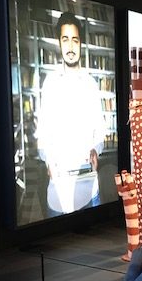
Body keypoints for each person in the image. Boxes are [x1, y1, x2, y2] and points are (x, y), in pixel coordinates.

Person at [37, 11, 106, 215]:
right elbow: (43, 134)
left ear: (81, 43)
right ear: (59, 43)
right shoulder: (50, 84)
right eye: (65, 39)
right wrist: (48, 160)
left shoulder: (91, 84)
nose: (70, 46)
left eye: (75, 40)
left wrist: (96, 150)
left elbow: (100, 130)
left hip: (89, 189)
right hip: (58, 192)